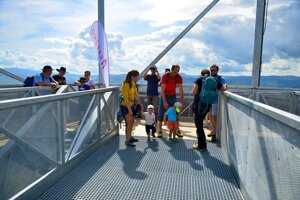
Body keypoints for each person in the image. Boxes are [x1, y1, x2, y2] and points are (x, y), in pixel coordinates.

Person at [191, 68, 225, 151]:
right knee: (200, 123)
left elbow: (194, 92)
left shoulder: (199, 79)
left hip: (198, 105)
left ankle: (201, 145)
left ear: (201, 74)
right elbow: (223, 88)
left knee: (199, 125)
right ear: (209, 74)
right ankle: (202, 143)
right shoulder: (215, 80)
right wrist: (226, 85)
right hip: (207, 105)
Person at [157, 64, 185, 138]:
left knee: (176, 112)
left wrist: (182, 102)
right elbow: (162, 91)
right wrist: (165, 102)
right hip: (164, 96)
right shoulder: (165, 76)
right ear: (171, 70)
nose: (176, 73)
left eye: (178, 71)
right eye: (175, 71)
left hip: (173, 96)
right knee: (161, 112)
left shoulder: (179, 77)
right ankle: (160, 130)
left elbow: (181, 90)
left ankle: (177, 129)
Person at [121, 70, 144, 147]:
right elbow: (125, 98)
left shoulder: (133, 83)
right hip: (126, 106)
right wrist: (129, 109)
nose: (137, 78)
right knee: (129, 123)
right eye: (136, 77)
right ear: (132, 77)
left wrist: (140, 104)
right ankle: (127, 140)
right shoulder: (125, 84)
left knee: (132, 122)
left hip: (132, 106)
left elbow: (136, 95)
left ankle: (130, 137)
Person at [208, 64, 228, 142]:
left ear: (217, 71)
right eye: (211, 70)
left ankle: (214, 133)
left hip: (216, 100)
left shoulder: (220, 79)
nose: (212, 71)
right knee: (210, 116)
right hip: (209, 100)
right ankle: (213, 130)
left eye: (214, 70)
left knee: (214, 117)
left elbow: (224, 86)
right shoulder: (208, 78)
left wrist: (225, 87)